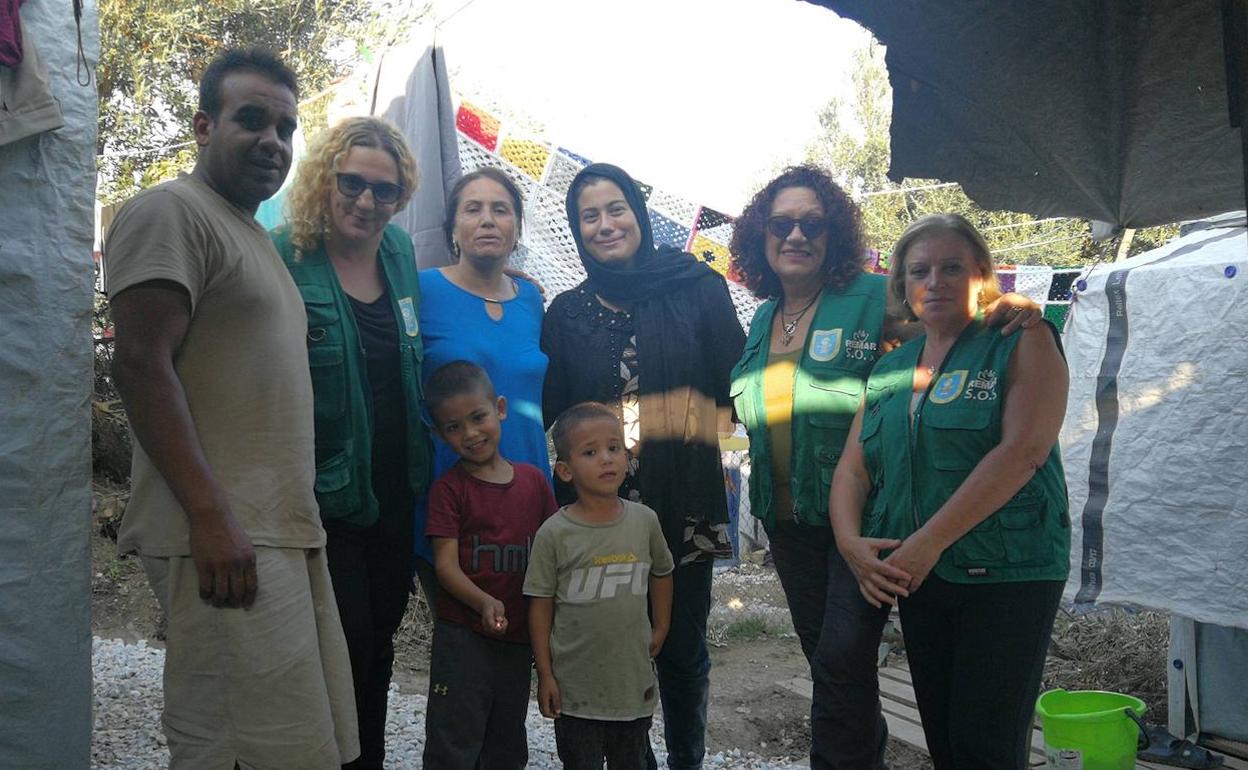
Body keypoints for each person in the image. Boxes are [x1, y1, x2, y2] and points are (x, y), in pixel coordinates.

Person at [727, 165, 1041, 769]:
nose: (796, 235)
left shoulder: (875, 297)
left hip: (868, 521)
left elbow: (956, 319)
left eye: (811, 224)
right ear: (760, 237)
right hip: (787, 521)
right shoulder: (765, 317)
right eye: (781, 224)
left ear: (834, 235)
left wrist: (1010, 302)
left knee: (842, 659)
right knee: (829, 662)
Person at [105, 48, 358, 768]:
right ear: (202, 125)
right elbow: (139, 366)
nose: (272, 142)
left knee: (291, 745)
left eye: (285, 126)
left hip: (274, 531)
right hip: (222, 533)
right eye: (252, 120)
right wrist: (212, 517)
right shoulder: (170, 212)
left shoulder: (249, 233)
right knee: (235, 746)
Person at [831, 213, 1070, 768]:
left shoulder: (1020, 338)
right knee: (945, 739)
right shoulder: (890, 368)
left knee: (986, 744)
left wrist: (929, 541)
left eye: (951, 267)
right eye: (919, 271)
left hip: (1010, 573)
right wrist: (850, 544)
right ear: (902, 286)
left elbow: (1024, 451)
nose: (934, 281)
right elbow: (853, 469)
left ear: (982, 275)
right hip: (919, 573)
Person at [541, 162, 744, 770]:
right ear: (578, 230)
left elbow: (735, 385)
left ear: (638, 212)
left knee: (681, 650)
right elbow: (551, 413)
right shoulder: (566, 313)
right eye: (590, 216)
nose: (606, 225)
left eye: (616, 209)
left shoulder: (698, 287)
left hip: (685, 501)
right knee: (608, 647)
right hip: (600, 516)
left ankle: (686, 758)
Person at [270, 115, 431, 770]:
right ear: (324, 179)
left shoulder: (398, 256)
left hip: (396, 487)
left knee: (381, 642)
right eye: (352, 183)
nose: (367, 201)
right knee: (342, 644)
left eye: (384, 191)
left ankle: (364, 760)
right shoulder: (284, 254)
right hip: (322, 495)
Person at [421, 361, 557, 769]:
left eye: (478, 417)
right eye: (454, 427)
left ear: (499, 408)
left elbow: (554, 554)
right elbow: (445, 567)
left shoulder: (534, 483)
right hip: (463, 636)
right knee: (453, 741)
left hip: (517, 639)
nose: (470, 434)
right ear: (440, 434)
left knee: (506, 741)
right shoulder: (448, 490)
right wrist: (481, 601)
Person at [525, 403, 676, 770]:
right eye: (590, 452)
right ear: (565, 470)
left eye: (614, 447)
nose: (606, 459)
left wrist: (661, 625)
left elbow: (662, 572)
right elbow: (540, 604)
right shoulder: (554, 533)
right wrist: (545, 673)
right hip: (575, 690)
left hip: (630, 683)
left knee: (632, 760)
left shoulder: (644, 521)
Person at [417, 168, 550, 579]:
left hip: (528, 493)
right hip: (453, 497)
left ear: (516, 229)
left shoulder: (530, 298)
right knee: (464, 633)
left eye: (501, 210)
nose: (488, 220)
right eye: (473, 209)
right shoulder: (419, 290)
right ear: (453, 228)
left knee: (532, 631)